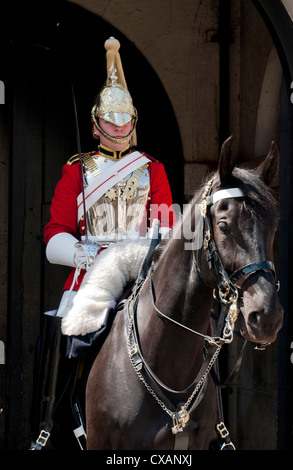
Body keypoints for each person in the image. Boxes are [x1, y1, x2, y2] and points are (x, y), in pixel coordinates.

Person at [30, 37, 176, 449]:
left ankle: (211, 427)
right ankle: (58, 420)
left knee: (189, 329)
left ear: (133, 122)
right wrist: (84, 252)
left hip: (139, 269)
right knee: (74, 343)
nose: (117, 129)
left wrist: (145, 250)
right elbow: (54, 232)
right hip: (90, 273)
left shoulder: (153, 170)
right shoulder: (77, 171)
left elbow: (164, 222)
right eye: (109, 123)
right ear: (96, 125)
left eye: (124, 121)